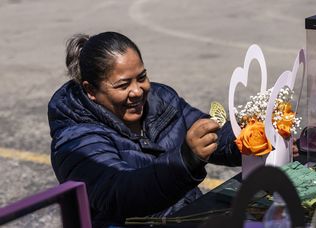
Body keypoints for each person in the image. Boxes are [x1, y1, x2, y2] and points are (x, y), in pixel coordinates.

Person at [48, 31, 241, 227]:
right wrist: (186, 159)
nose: (138, 91)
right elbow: (121, 194)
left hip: (187, 215)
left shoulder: (161, 98)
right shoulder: (75, 140)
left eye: (141, 77)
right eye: (123, 85)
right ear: (91, 91)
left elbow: (217, 136)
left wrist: (251, 134)